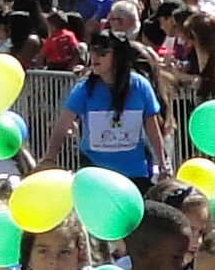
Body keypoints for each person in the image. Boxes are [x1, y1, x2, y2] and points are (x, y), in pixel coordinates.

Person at [60, 32, 166, 182]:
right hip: (94, 173)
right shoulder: (84, 88)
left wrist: (162, 163)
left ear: (118, 55)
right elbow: (63, 123)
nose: (95, 57)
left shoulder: (140, 86)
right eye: (92, 50)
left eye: (102, 52)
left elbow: (152, 128)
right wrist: (49, 157)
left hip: (134, 173)